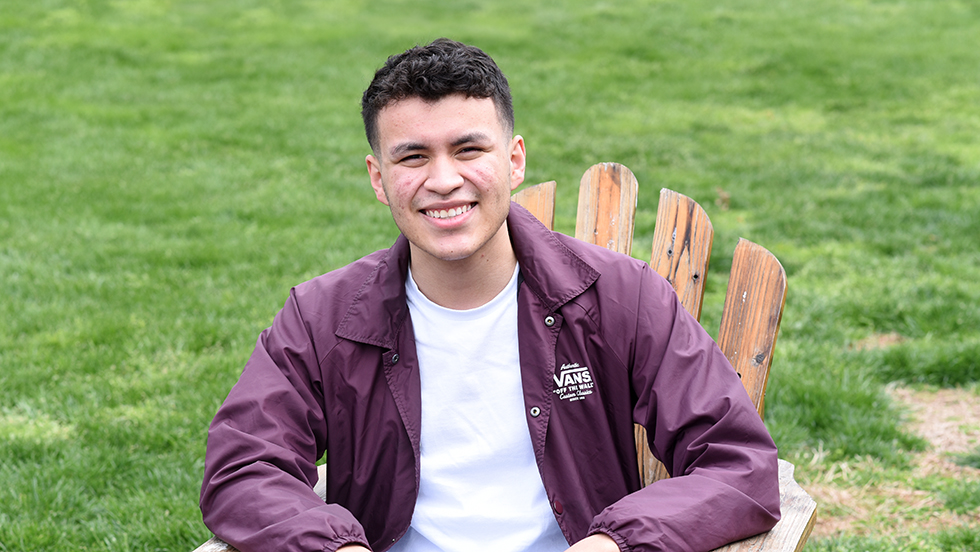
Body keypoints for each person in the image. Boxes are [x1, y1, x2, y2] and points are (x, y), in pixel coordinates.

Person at [200, 38, 780, 552]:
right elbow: (243, 468)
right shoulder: (324, 318)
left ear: (514, 159)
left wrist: (613, 542)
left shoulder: (617, 298)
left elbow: (737, 464)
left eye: (468, 149)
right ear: (379, 179)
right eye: (413, 156)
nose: (444, 179)